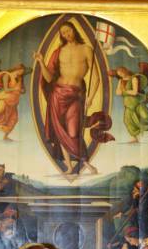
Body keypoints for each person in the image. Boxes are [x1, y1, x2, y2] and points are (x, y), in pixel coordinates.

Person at [34, 21, 100, 175]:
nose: (66, 35)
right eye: (63, 33)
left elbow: (96, 78)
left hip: (75, 95)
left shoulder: (86, 49)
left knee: (73, 132)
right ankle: (70, 167)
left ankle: (86, 164)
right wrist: (41, 62)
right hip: (57, 94)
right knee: (60, 132)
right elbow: (49, 78)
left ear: (74, 30)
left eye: (68, 31)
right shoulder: (59, 51)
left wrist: (90, 98)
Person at [109, 67, 148, 143]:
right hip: (128, 104)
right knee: (127, 121)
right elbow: (117, 92)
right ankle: (135, 138)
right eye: (119, 74)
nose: (121, 74)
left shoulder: (134, 79)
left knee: (147, 116)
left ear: (125, 70)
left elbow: (135, 92)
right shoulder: (120, 81)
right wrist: (123, 92)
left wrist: (124, 91)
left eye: (121, 72)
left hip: (136, 102)